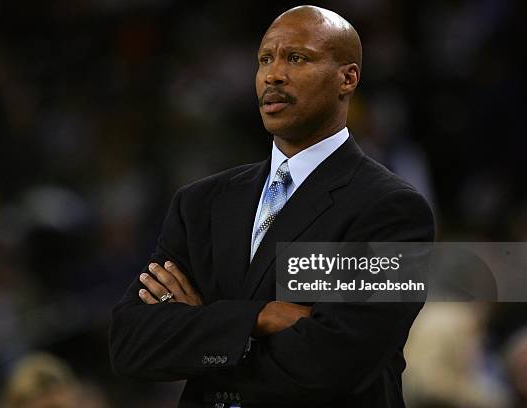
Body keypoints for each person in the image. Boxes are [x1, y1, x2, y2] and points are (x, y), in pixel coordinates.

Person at [109, 5, 434, 407]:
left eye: (297, 58)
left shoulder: (392, 210)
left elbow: (333, 365)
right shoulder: (198, 203)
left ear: (347, 78)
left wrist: (204, 327)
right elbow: (129, 344)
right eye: (265, 59)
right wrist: (261, 317)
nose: (273, 75)